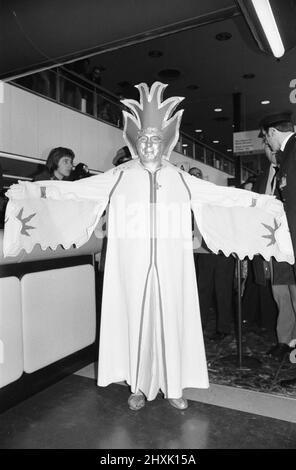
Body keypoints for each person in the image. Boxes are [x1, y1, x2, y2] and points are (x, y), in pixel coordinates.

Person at [4, 82, 294, 412]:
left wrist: (266, 205)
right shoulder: (120, 175)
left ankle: (172, 386)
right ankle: (138, 386)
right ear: (134, 142)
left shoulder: (179, 177)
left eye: (156, 140)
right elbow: (77, 192)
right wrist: (29, 193)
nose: (149, 146)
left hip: (171, 263)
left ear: (167, 142)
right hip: (132, 263)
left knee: (171, 317)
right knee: (133, 318)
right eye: (143, 140)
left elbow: (222, 196)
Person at [258, 112, 296, 358]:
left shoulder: (292, 152)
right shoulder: (287, 156)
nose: (267, 145)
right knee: (282, 293)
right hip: (279, 242)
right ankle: (287, 343)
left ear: (272, 132)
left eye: (265, 138)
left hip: (290, 239)